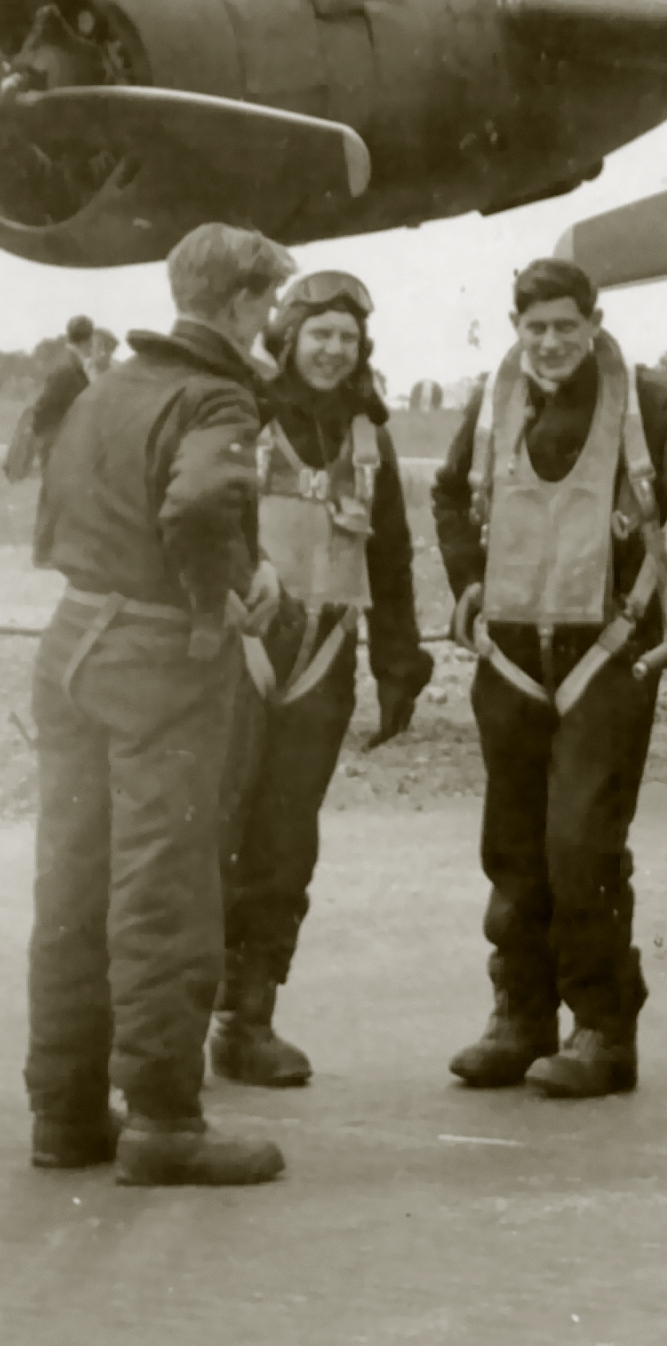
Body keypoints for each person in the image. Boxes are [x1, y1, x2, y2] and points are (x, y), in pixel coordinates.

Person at [432, 257, 667, 1100]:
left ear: (594, 322)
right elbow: (451, 495)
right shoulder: (495, 400)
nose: (551, 343)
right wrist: (466, 580)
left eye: (566, 325)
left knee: (582, 842)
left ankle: (603, 1027)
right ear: (517, 329)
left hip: (612, 654)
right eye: (535, 328)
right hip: (512, 660)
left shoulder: (653, 402)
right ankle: (521, 1018)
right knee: (514, 848)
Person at [24, 225, 293, 1186]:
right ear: (240, 304)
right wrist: (217, 590)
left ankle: (63, 1110)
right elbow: (197, 509)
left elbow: (50, 498)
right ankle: (166, 1121)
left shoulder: (106, 387)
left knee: (73, 881)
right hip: (155, 659)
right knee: (165, 887)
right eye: (266, 307)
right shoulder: (216, 393)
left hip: (71, 646)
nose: (270, 325)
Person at [207, 270, 431, 1089]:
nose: (334, 349)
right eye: (319, 332)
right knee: (209, 830)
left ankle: (246, 1019)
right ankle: (173, 1014)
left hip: (323, 662)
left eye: (347, 336)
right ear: (289, 334)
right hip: (238, 655)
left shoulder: (369, 435)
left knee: (285, 842)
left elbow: (392, 556)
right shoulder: (242, 412)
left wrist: (398, 663)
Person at [8, 315, 117, 483]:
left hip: (63, 452)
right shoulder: (68, 369)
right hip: (60, 453)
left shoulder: (72, 365)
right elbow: (43, 413)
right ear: (87, 341)